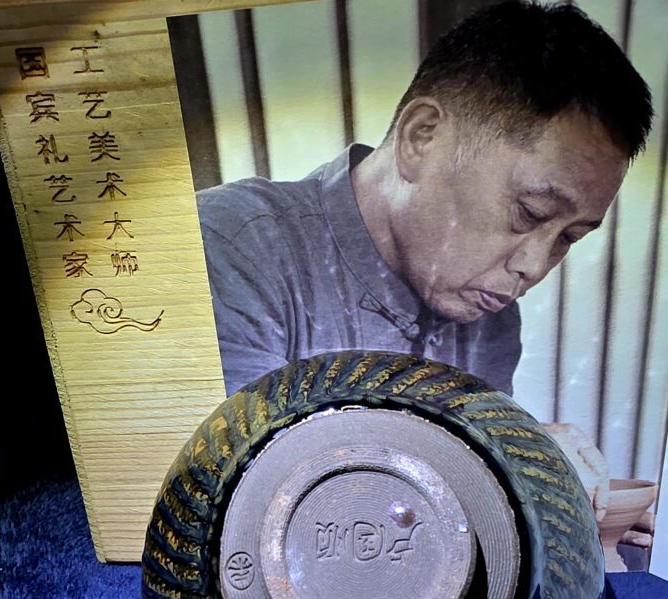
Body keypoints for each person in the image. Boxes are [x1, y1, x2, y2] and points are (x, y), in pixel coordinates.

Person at [196, 0, 652, 406]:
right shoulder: (231, 247)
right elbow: (242, 467)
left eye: (568, 237)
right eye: (529, 212)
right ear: (422, 137)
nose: (533, 268)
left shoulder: (490, 318)